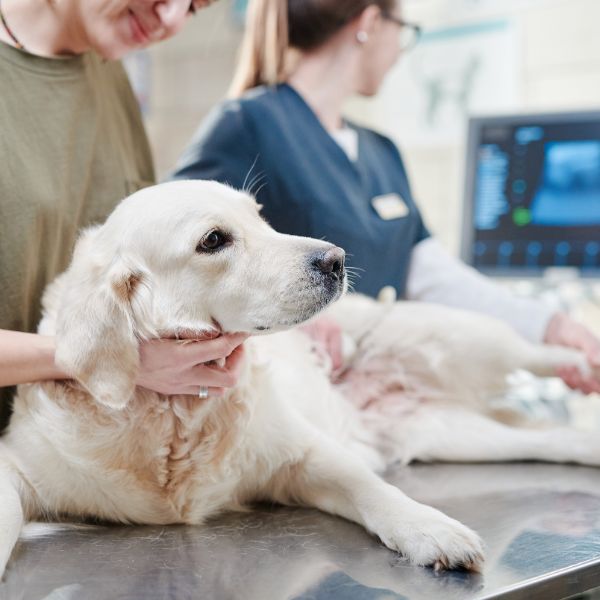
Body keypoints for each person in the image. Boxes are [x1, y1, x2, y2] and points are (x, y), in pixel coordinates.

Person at [171, 0, 600, 394]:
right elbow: (170, 264)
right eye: (403, 29)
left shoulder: (381, 151)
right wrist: (288, 328)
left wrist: (549, 324)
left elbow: (433, 277)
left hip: (382, 396)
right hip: (294, 398)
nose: (399, 50)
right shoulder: (246, 125)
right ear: (371, 23)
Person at [0, 0, 247, 429]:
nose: (170, 20)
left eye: (193, 9)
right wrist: (104, 359)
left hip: (77, 457)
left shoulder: (109, 71)